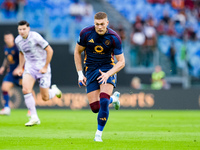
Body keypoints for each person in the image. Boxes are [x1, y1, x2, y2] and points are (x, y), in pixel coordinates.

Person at [74, 12, 125, 142]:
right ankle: (113, 99)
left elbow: (121, 62)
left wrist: (109, 74)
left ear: (107, 23)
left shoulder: (114, 37)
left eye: (102, 24)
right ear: (94, 23)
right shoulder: (86, 33)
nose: (100, 27)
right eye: (97, 24)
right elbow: (77, 51)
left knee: (103, 102)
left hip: (107, 68)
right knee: (95, 108)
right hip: (90, 70)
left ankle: (98, 135)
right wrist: (80, 74)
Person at [15, 20, 62, 126]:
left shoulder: (35, 37)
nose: (22, 31)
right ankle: (34, 117)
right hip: (30, 68)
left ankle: (54, 91)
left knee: (44, 97)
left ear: (28, 29)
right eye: (20, 29)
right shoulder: (18, 40)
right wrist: (20, 67)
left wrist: (45, 67)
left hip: (42, 68)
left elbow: (50, 50)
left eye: (24, 29)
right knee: (26, 89)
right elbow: (21, 53)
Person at [0, 32, 22, 115]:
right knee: (4, 88)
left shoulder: (17, 48)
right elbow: (7, 58)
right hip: (11, 73)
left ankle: (31, 110)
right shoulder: (6, 48)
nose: (8, 40)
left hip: (20, 73)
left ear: (13, 38)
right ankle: (6, 108)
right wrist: (3, 67)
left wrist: (19, 68)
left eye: (9, 38)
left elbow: (24, 58)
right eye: (6, 38)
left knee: (27, 90)